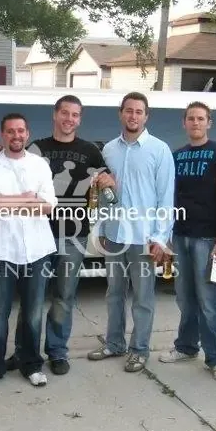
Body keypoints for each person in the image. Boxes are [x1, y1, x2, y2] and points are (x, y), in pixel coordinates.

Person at [0, 95, 114, 375]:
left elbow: (107, 179)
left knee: (63, 297)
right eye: (65, 113)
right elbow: (11, 164)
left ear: (79, 119)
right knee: (31, 300)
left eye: (75, 115)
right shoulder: (36, 147)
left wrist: (110, 179)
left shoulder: (90, 150)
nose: (69, 119)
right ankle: (23, 352)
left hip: (73, 236)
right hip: (36, 235)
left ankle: (57, 351)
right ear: (55, 115)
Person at [87, 92, 176, 373]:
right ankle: (114, 343)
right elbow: (104, 194)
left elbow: (166, 198)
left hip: (144, 239)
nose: (133, 116)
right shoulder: (108, 150)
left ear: (146, 116)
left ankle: (139, 350)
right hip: (114, 236)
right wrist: (101, 229)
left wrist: (160, 238)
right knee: (114, 293)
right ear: (120, 113)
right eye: (129, 110)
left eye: (139, 111)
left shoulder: (159, 150)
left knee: (143, 298)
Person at [0, 113, 58, 388]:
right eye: (10, 131)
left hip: (38, 250)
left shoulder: (39, 165)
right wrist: (27, 198)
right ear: (2, 134)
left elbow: (49, 205)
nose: (16, 135)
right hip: (1, 251)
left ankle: (31, 364)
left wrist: (8, 201)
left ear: (27, 133)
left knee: (33, 313)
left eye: (20, 130)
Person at [158, 101, 216, 382]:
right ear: (184, 123)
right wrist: (166, 239)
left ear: (209, 123)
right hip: (180, 237)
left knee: (208, 301)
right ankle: (186, 347)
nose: (195, 123)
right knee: (184, 298)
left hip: (208, 239)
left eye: (201, 118)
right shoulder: (176, 156)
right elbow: (168, 199)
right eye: (191, 118)